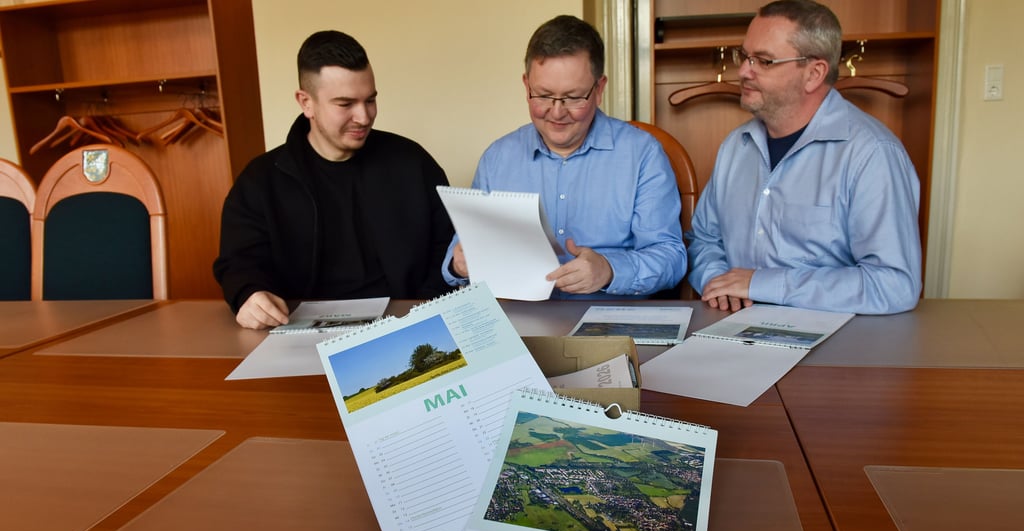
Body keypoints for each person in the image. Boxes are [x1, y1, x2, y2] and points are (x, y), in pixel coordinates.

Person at [686, 0, 922, 315]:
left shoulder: (872, 154)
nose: (743, 71)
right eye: (744, 56)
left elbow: (895, 285)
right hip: (733, 333)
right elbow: (703, 240)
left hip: (836, 347)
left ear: (814, 73)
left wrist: (763, 283)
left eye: (764, 61)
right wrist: (716, 280)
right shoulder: (735, 147)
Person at [214, 30, 455, 329]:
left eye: (370, 100)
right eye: (345, 104)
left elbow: (449, 252)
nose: (364, 117)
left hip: (406, 326)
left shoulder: (413, 163)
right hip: (296, 332)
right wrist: (248, 293)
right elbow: (238, 263)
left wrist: (421, 312)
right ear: (306, 102)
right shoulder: (260, 181)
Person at [442, 15, 685, 299]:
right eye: (543, 95)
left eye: (572, 97)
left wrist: (609, 270)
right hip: (519, 319)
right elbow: (462, 248)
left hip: (611, 321)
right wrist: (459, 265)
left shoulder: (643, 154)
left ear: (600, 89)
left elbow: (671, 258)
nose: (556, 113)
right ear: (526, 85)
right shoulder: (498, 158)